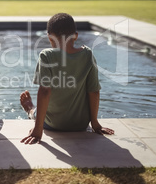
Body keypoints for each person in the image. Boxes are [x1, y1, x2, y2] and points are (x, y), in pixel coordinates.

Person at [20, 13, 114, 144]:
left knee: (35, 113)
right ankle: (32, 110)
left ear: (49, 38)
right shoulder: (87, 55)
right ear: (75, 36)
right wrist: (95, 123)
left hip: (52, 124)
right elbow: (94, 91)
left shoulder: (46, 56)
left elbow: (45, 91)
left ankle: (30, 109)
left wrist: (38, 129)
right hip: (80, 124)